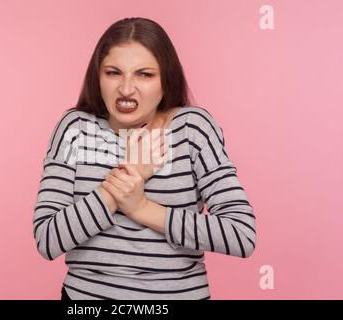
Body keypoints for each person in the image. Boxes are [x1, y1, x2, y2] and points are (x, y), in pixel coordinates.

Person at [33, 17, 256, 300]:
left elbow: (241, 235)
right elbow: (48, 239)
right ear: (97, 76)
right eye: (113, 72)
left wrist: (141, 208)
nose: (126, 89)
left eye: (144, 74)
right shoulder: (75, 128)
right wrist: (129, 177)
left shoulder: (192, 129)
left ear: (167, 78)